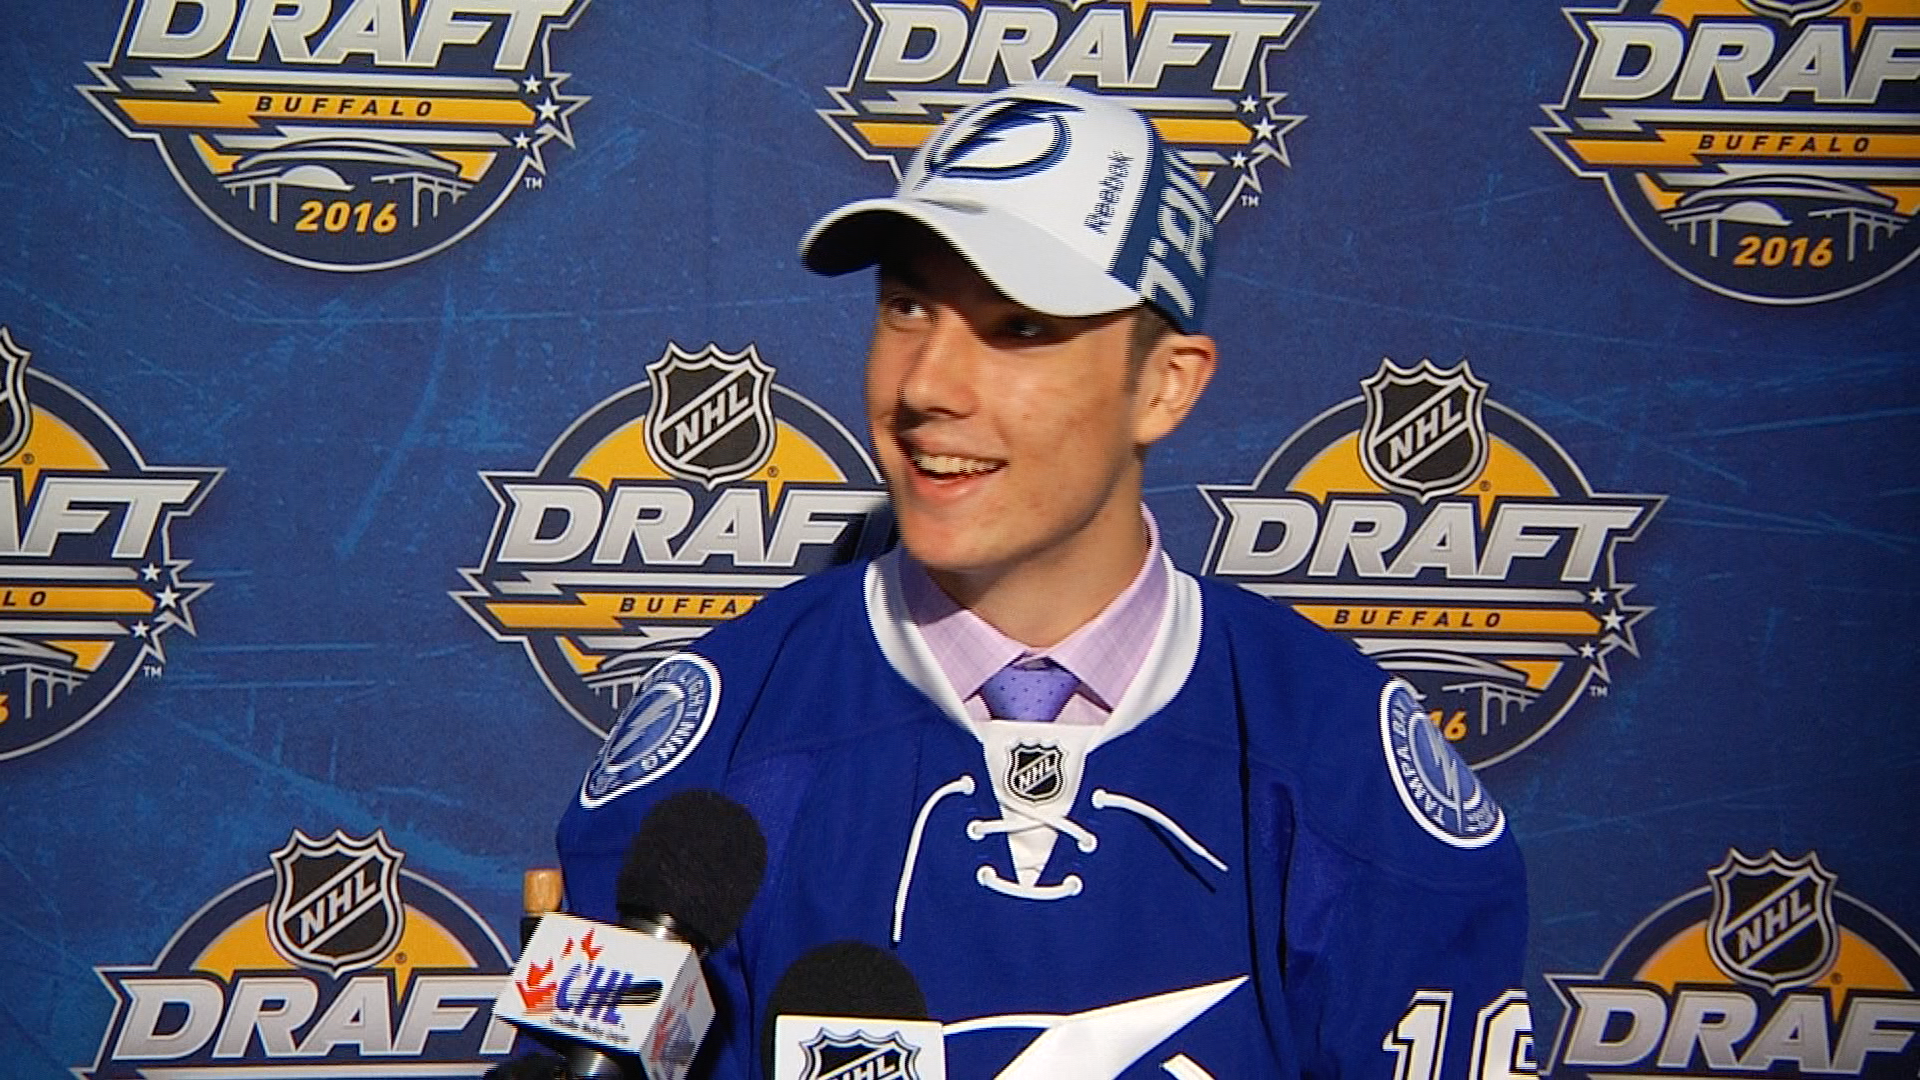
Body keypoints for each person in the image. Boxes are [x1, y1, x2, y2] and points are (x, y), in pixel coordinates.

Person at [552, 83, 1530, 1079]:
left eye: (1018, 326)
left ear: (1164, 386)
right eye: (907, 306)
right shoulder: (715, 741)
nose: (926, 386)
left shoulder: (1339, 757)